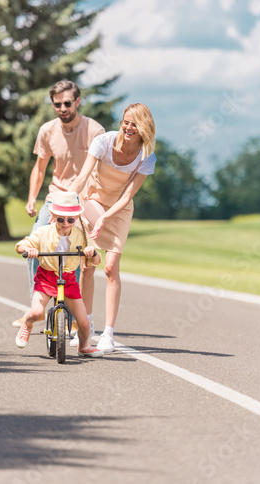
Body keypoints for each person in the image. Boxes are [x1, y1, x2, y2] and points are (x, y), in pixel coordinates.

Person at [12, 80, 105, 328]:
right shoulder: (47, 131)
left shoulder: (95, 130)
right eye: (57, 104)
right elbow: (39, 168)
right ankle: (36, 306)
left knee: (75, 251)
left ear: (77, 101)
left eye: (67, 103)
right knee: (35, 244)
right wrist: (32, 197)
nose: (62, 108)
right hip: (54, 198)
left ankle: (73, 317)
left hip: (83, 201)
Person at [69, 103, 156, 353]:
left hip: (118, 211)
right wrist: (64, 200)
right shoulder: (104, 142)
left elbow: (128, 196)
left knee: (110, 268)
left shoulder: (146, 156)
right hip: (92, 201)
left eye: (134, 124)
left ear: (144, 128)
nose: (128, 127)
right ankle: (85, 327)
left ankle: (108, 333)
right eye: (125, 121)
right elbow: (83, 176)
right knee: (87, 266)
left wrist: (106, 217)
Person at [15, 191, 103, 358]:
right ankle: (27, 323)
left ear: (76, 218)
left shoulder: (80, 234)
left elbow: (97, 259)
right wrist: (29, 249)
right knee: (36, 313)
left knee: (84, 324)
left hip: (68, 280)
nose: (65, 223)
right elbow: (21, 245)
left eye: (70, 220)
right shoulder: (44, 232)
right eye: (60, 219)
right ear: (53, 215)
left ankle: (83, 346)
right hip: (46, 277)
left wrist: (91, 252)